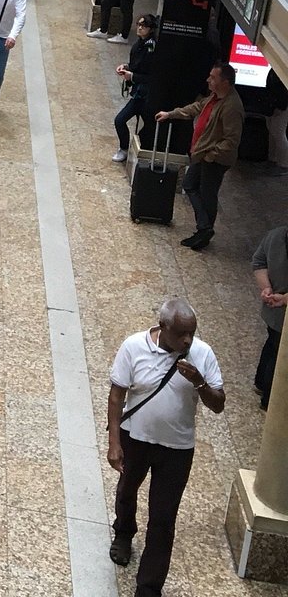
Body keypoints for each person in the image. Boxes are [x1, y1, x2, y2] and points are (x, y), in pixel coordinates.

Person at [106, 298, 225, 593]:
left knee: (163, 518)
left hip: (177, 448)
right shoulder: (134, 347)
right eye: (181, 333)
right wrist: (114, 443)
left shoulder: (202, 354)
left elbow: (218, 404)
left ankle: (148, 587)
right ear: (163, 327)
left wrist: (199, 381)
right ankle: (123, 532)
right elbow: (117, 395)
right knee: (127, 489)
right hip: (136, 438)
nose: (187, 340)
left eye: (192, 333)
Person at [154, 63, 245, 250]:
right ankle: (204, 228)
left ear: (225, 82)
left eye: (213, 77)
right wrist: (171, 114)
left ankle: (204, 231)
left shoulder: (231, 107)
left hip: (213, 159)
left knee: (207, 194)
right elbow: (196, 108)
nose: (208, 80)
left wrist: (210, 156)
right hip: (203, 154)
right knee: (191, 186)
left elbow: (232, 140)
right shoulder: (214, 97)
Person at [112, 16, 158, 161]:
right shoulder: (138, 44)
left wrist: (132, 76)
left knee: (150, 126)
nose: (139, 28)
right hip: (138, 95)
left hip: (148, 97)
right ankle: (124, 148)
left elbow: (151, 75)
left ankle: (139, 150)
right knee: (120, 120)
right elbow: (135, 65)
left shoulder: (151, 47)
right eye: (138, 25)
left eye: (143, 26)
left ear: (150, 29)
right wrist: (125, 67)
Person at [252, 225, 288, 410]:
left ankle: (260, 383)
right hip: (280, 310)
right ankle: (269, 400)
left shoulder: (276, 235)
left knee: (272, 344)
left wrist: (266, 288)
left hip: (272, 310)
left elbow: (259, 261)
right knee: (279, 355)